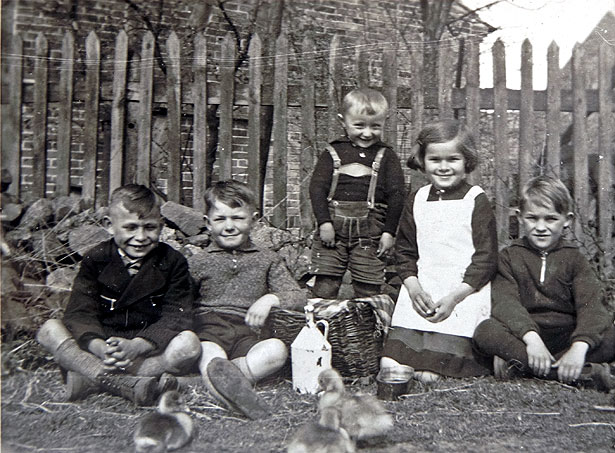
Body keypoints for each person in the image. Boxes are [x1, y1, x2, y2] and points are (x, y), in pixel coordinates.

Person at [37, 184, 201, 406]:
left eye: (150, 227)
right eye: (130, 227)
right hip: (104, 349)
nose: (140, 237)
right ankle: (125, 382)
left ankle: (93, 379)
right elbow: (80, 312)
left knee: (189, 344)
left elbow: (176, 316)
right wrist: (99, 347)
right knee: (49, 330)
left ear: (161, 226)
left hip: (148, 351)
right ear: (109, 225)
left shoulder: (173, 261)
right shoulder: (96, 258)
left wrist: (137, 346)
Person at [380, 120, 498, 384]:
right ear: (423, 161)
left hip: (462, 291)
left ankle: (442, 362)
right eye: (435, 159)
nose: (443, 167)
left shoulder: (475, 199)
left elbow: (486, 258)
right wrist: (413, 288)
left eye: (453, 159)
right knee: (390, 363)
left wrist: (455, 297)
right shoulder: (417, 198)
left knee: (432, 372)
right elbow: (405, 250)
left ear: (467, 161)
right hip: (423, 289)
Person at [473, 175, 615, 390]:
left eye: (550, 219)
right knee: (485, 330)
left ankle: (527, 368)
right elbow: (505, 303)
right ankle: (579, 373)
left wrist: (579, 346)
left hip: (566, 337)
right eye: (533, 218)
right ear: (520, 217)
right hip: (524, 338)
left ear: (567, 220)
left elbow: (592, 306)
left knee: (610, 334)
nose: (541, 227)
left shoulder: (575, 259)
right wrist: (532, 340)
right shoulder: (509, 257)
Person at [188, 180, 307, 419]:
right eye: (220, 219)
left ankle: (225, 381)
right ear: (208, 223)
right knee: (209, 354)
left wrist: (270, 299)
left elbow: (297, 296)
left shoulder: (267, 259)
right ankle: (237, 392)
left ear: (253, 220)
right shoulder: (197, 261)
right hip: (210, 331)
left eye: (238, 218)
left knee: (277, 350)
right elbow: (181, 301)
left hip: (249, 335)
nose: (229, 226)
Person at [308, 88, 405, 299]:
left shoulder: (387, 156)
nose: (367, 133)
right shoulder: (332, 152)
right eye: (359, 125)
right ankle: (320, 319)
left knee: (368, 286)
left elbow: (397, 196)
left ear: (384, 123)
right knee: (325, 283)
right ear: (343, 121)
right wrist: (324, 223)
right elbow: (317, 189)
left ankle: (365, 320)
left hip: (371, 233)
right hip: (333, 231)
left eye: (375, 126)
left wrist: (389, 232)